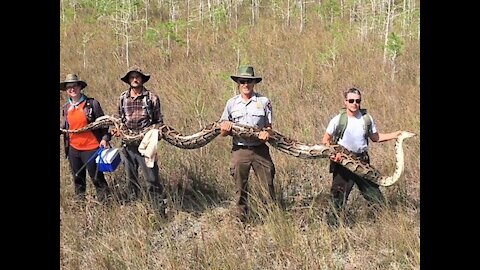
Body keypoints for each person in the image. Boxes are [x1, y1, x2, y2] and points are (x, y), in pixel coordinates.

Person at [321, 87, 402, 226]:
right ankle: (333, 228)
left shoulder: (366, 119)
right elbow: (325, 140)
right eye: (351, 100)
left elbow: (375, 137)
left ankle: (383, 224)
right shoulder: (337, 120)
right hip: (343, 163)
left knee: (375, 195)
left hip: (362, 162)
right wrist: (335, 155)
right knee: (338, 197)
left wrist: (396, 135)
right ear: (345, 102)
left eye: (357, 101)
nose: (354, 104)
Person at [219, 65, 276, 223]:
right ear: (238, 83)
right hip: (240, 149)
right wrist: (225, 128)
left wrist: (267, 134)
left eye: (249, 81)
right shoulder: (231, 103)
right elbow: (223, 132)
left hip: (260, 150)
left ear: (254, 83)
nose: (246, 84)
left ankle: (272, 219)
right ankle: (241, 220)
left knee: (268, 185)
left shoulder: (264, 102)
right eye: (242, 81)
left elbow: (270, 129)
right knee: (240, 187)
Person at [111, 66, 166, 217]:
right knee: (131, 179)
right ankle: (135, 211)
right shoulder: (122, 98)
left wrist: (152, 132)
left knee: (152, 179)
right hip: (128, 145)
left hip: (146, 145)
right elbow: (118, 119)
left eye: (138, 77)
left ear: (142, 79)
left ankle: (159, 211)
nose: (135, 79)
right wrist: (116, 130)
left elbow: (159, 122)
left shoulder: (151, 98)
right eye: (132, 77)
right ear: (128, 80)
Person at [60, 73, 112, 203]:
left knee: (97, 178)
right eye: (69, 87)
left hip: (91, 148)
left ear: (80, 87)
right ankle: (80, 204)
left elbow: (104, 124)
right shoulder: (66, 107)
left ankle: (106, 204)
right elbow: (66, 127)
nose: (72, 89)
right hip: (73, 149)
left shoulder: (92, 104)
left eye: (74, 86)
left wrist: (105, 138)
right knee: (78, 178)